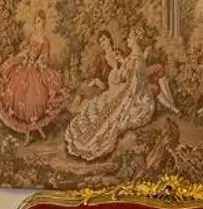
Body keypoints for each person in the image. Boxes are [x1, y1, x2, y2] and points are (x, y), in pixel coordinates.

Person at [63, 31, 157, 161]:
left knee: (110, 111)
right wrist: (118, 67)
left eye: (104, 39)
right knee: (97, 104)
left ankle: (81, 121)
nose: (127, 40)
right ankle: (74, 109)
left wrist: (118, 67)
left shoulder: (129, 55)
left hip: (124, 89)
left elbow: (132, 80)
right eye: (100, 41)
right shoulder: (111, 57)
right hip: (114, 85)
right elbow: (121, 74)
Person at [0, 9, 67, 138]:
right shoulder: (33, 36)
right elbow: (27, 49)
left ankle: (38, 129)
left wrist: (38, 62)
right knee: (20, 96)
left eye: (39, 21)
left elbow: (45, 57)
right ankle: (28, 133)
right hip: (26, 65)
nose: (37, 24)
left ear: (43, 22)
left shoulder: (45, 39)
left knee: (35, 99)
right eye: (35, 21)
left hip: (37, 68)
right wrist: (22, 56)